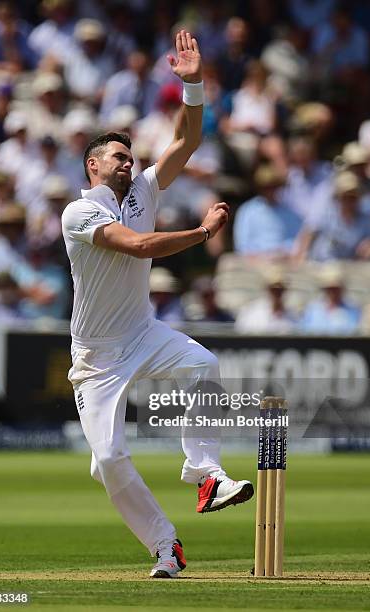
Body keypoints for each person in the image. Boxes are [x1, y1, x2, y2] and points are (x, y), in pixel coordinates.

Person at [61, 31, 253, 580]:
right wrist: (202, 232)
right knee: (108, 461)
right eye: (118, 157)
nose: (129, 162)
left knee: (204, 364)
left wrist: (192, 84)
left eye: (130, 155)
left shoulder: (143, 188)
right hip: (97, 357)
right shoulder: (81, 213)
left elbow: (187, 141)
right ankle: (165, 545)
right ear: (93, 167)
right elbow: (139, 245)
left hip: (143, 331)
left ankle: (207, 473)